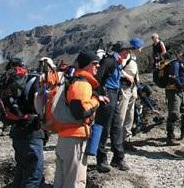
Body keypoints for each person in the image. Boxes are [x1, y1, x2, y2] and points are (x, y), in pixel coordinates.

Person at [54, 50, 107, 188]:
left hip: (66, 135)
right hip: (75, 137)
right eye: (94, 63)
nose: (98, 66)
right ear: (85, 65)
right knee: (75, 180)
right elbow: (81, 112)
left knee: (61, 179)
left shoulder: (74, 81)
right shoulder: (82, 84)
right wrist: (96, 100)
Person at [5, 58, 45, 188]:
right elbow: (38, 104)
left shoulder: (9, 81)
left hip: (16, 130)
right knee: (33, 174)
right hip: (32, 131)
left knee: (21, 169)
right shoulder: (33, 79)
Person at [94, 41, 129, 172]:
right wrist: (100, 95)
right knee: (104, 127)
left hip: (114, 94)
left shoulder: (118, 62)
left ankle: (118, 158)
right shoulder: (109, 61)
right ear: (119, 51)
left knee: (116, 126)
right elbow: (98, 78)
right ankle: (101, 160)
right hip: (108, 95)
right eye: (125, 50)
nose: (127, 53)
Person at [120, 37, 144, 151]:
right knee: (122, 113)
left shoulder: (133, 57)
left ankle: (127, 138)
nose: (141, 49)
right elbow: (118, 68)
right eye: (140, 47)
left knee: (130, 114)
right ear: (135, 47)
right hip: (124, 87)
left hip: (132, 88)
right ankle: (119, 138)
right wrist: (127, 76)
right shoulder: (126, 56)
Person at [165, 52, 184, 145]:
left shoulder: (181, 65)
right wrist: (180, 85)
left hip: (180, 91)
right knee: (174, 113)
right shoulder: (175, 64)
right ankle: (170, 137)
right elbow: (174, 77)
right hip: (173, 91)